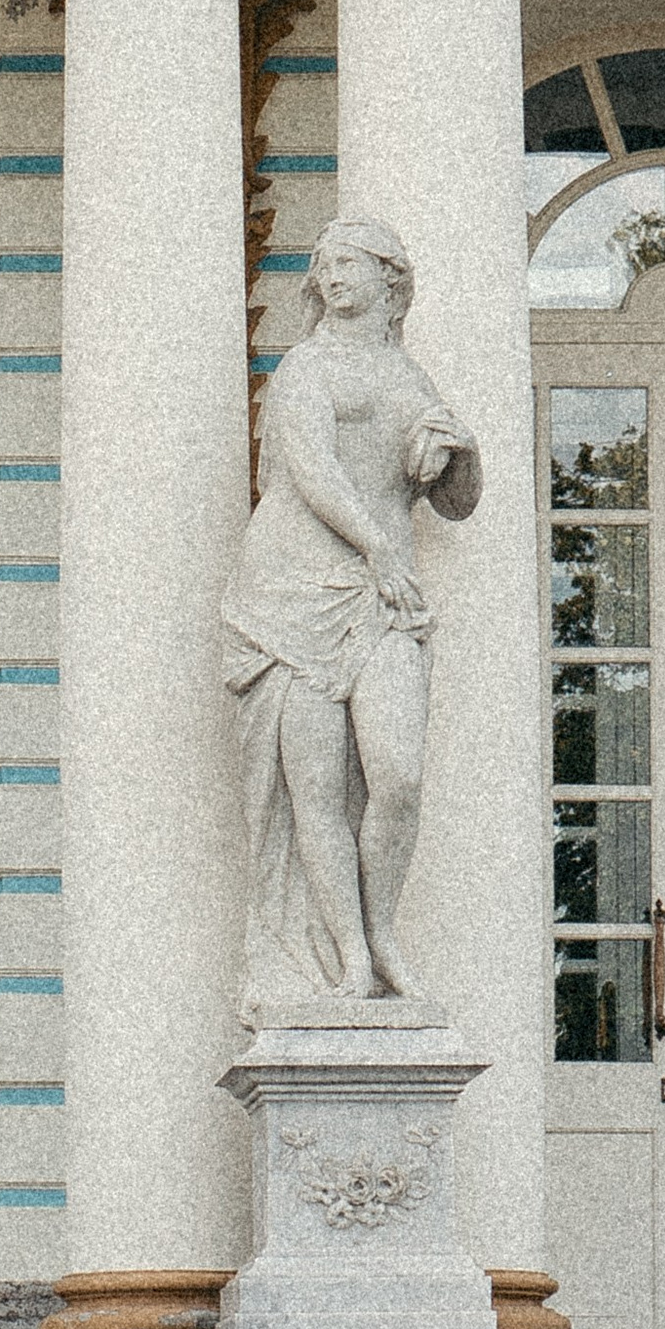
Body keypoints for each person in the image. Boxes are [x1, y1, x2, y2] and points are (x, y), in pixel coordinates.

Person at [222, 215, 479, 1021]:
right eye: (323, 264)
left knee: (398, 774)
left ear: (390, 279)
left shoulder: (411, 379)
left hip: (382, 597)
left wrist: (463, 455)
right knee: (316, 794)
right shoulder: (306, 366)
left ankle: (382, 928)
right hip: (295, 592)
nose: (331, 277)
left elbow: (457, 505)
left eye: (348, 263)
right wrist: (377, 548)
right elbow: (311, 469)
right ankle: (352, 961)